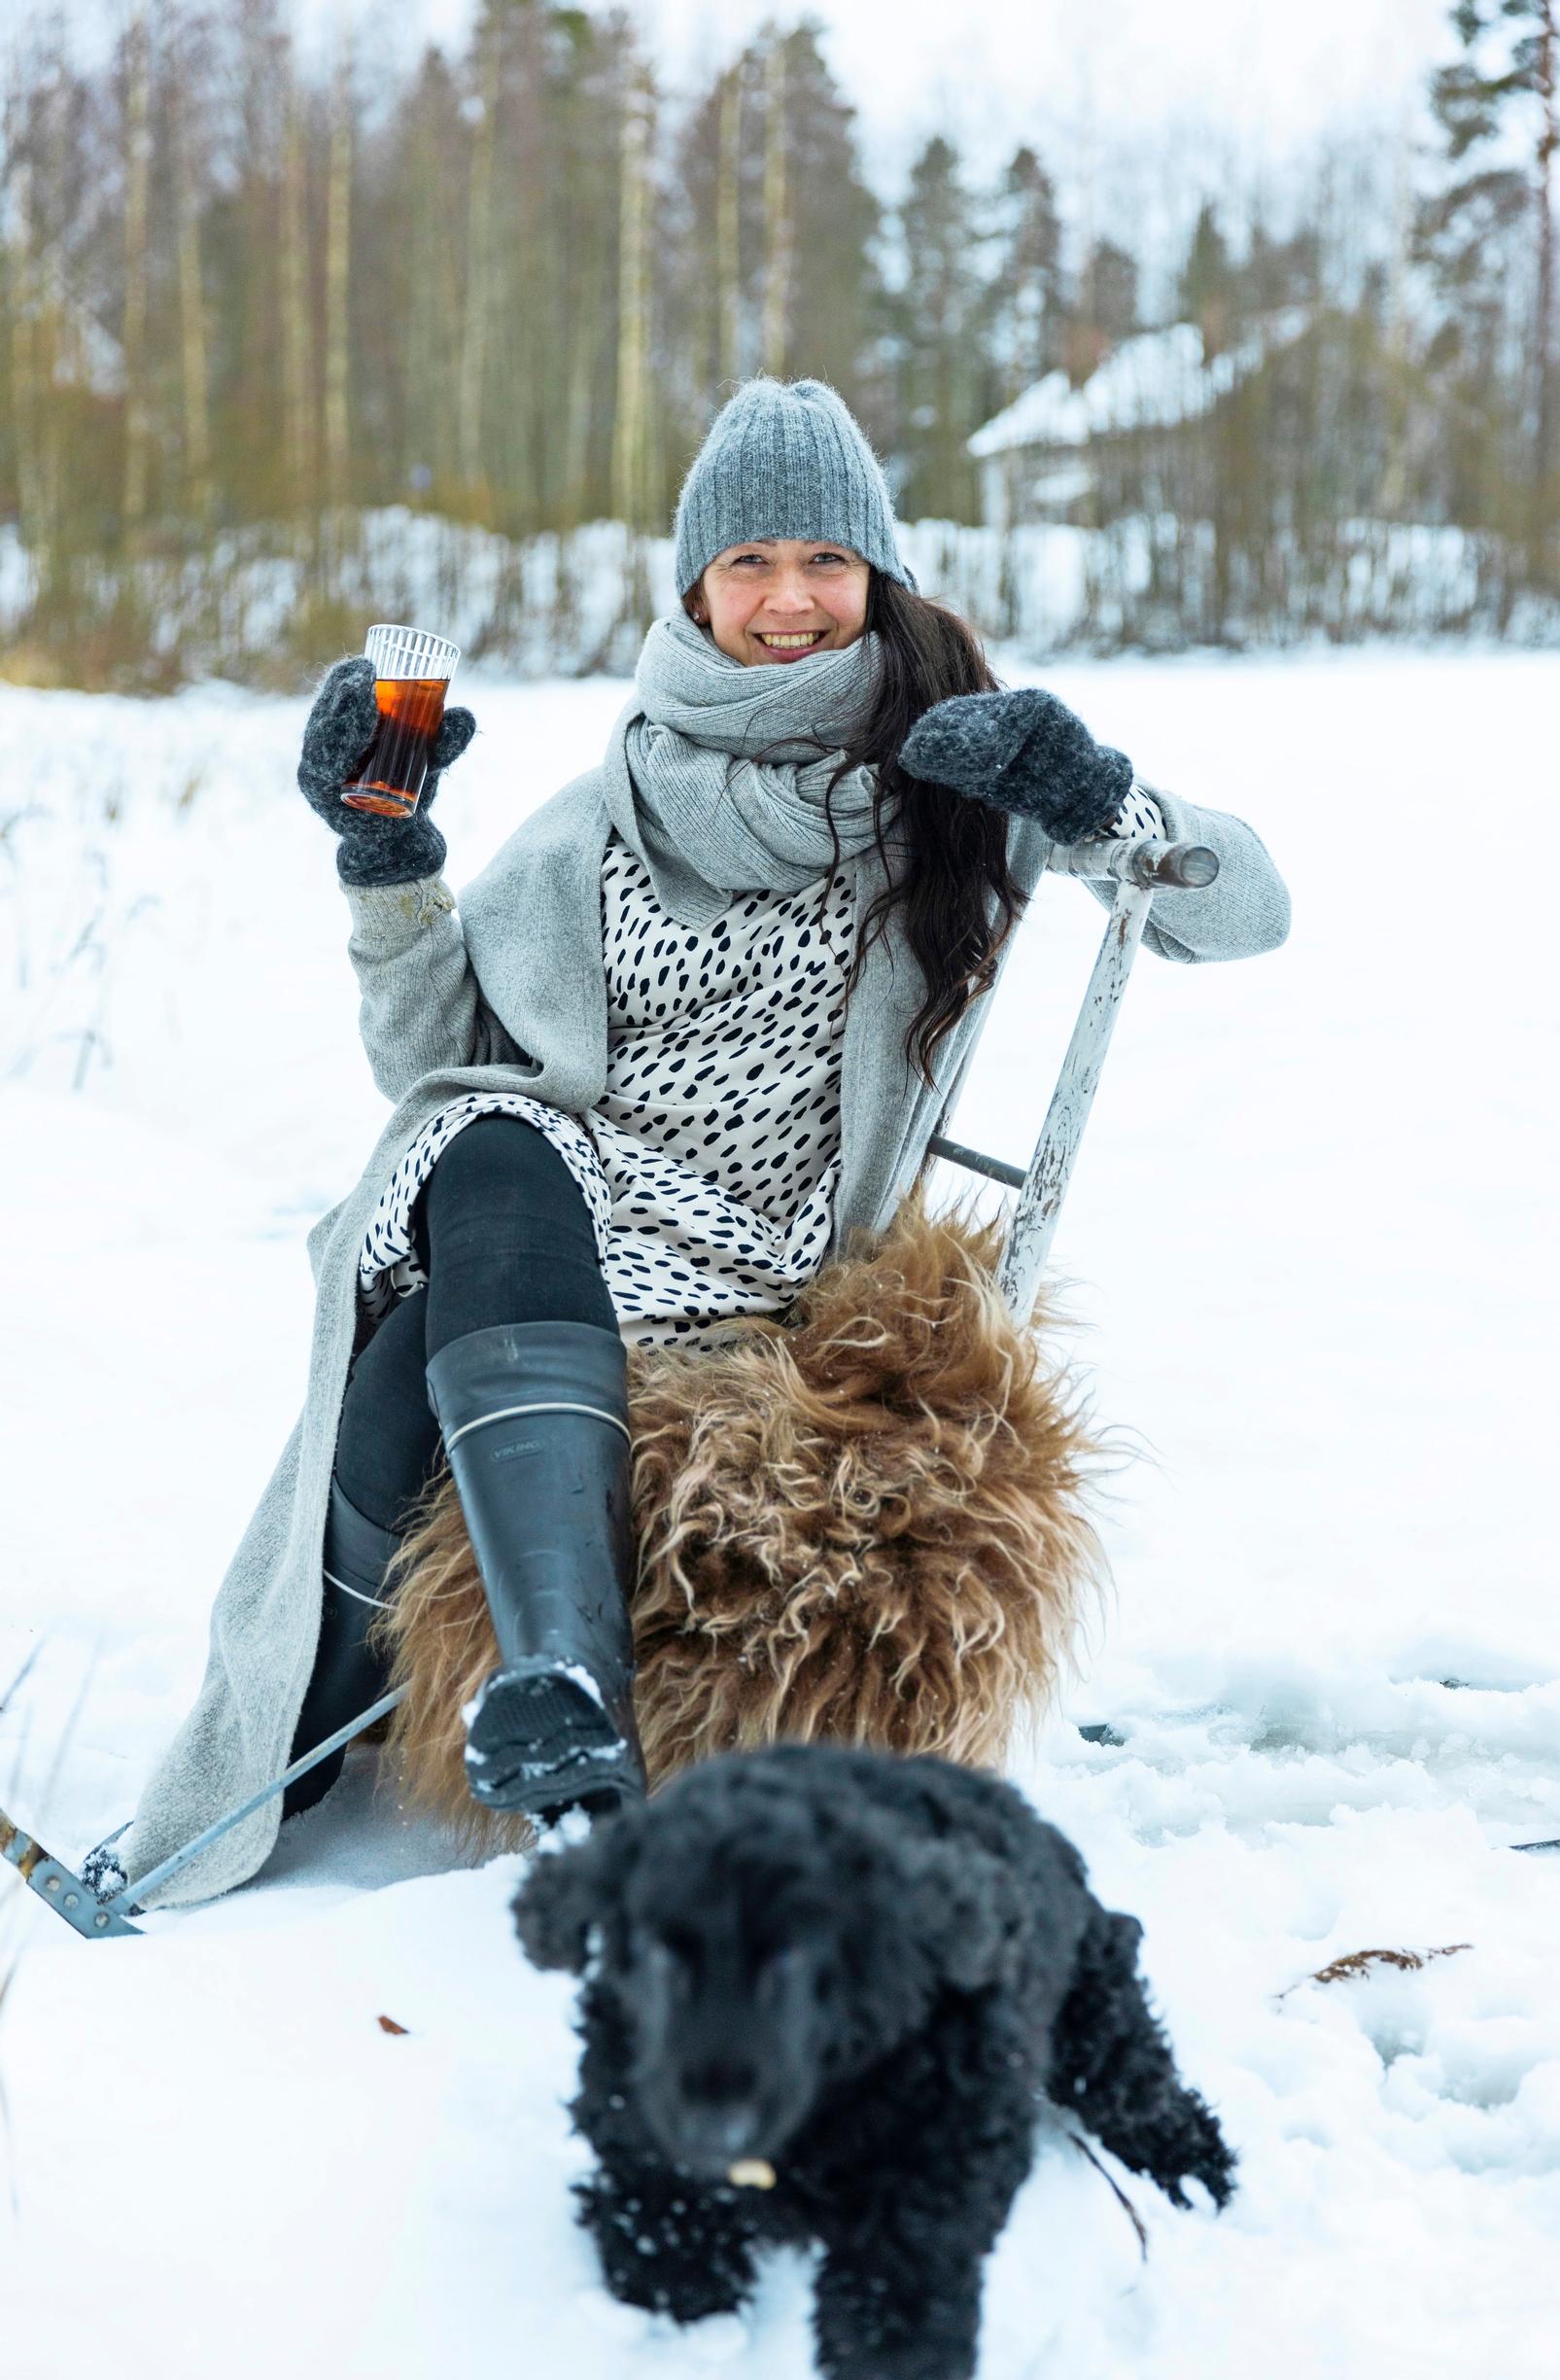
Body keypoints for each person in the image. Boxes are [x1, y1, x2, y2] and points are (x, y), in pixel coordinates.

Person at [95, 376, 1290, 1910]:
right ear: (691, 585)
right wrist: (385, 859)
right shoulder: (610, 804)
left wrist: (1097, 796)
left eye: (823, 563)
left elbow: (1239, 911)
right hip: (557, 1208)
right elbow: (433, 1064)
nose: (786, 600)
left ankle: (386, 1727)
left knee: (429, 1300)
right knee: (486, 1152)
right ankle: (558, 1705)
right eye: (747, 564)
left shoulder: (951, 783)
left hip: (773, 1242)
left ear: (875, 580)